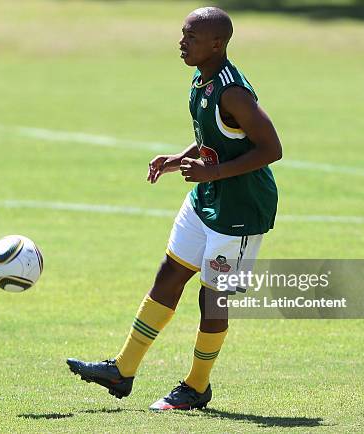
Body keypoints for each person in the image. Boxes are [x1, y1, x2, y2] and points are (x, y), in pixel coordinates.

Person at [67, 6, 282, 411]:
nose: (182, 42)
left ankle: (197, 387)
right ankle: (122, 370)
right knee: (170, 274)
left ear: (216, 44)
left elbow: (272, 149)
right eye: (182, 34)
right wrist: (179, 158)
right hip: (206, 200)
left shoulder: (233, 91)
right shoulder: (201, 80)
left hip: (241, 210)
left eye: (191, 37)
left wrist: (211, 174)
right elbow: (215, 136)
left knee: (213, 298)